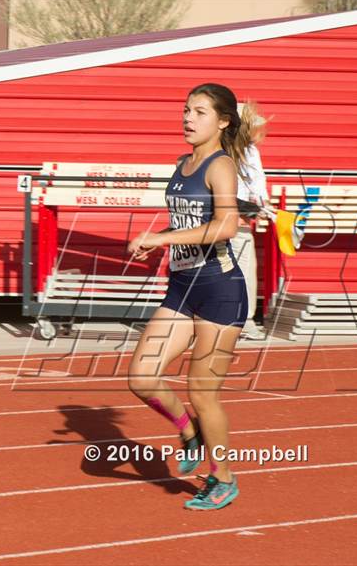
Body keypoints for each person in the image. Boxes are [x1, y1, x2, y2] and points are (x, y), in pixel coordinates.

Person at [127, 83, 248, 511]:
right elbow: (187, 223)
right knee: (142, 377)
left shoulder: (221, 166)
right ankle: (188, 431)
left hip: (219, 291)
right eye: (185, 110)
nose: (187, 118)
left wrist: (161, 237)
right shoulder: (182, 163)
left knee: (202, 391)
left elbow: (227, 227)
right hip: (181, 288)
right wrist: (158, 244)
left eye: (199, 112)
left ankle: (223, 478)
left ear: (223, 121)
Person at [232, 102, 274, 340]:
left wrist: (264, 205)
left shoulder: (248, 151)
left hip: (240, 224)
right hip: (226, 222)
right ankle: (239, 322)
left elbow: (256, 185)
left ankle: (243, 321)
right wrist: (254, 207)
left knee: (245, 271)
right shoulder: (221, 151)